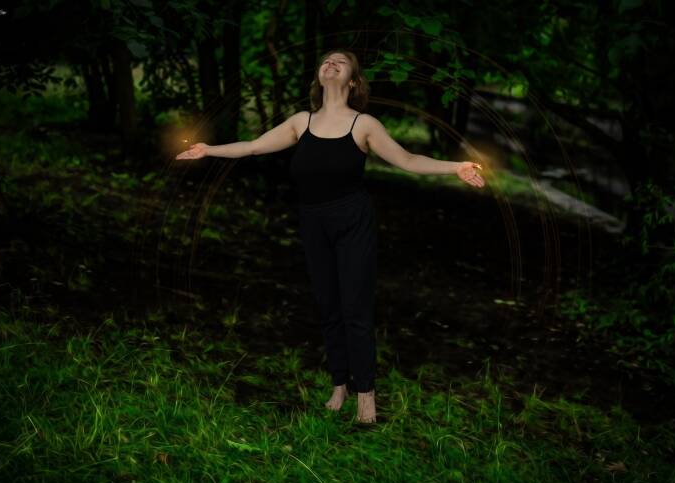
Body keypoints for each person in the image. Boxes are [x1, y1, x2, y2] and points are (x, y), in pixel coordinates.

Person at [176, 49, 485, 424]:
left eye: (341, 62)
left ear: (353, 81)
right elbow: (253, 146)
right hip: (313, 222)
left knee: (355, 308)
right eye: (326, 61)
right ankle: (340, 385)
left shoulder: (363, 124)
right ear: (319, 77)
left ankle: (366, 396)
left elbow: (407, 160)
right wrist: (208, 149)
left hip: (353, 221)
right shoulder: (301, 122)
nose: (331, 63)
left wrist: (456, 167)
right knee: (328, 306)